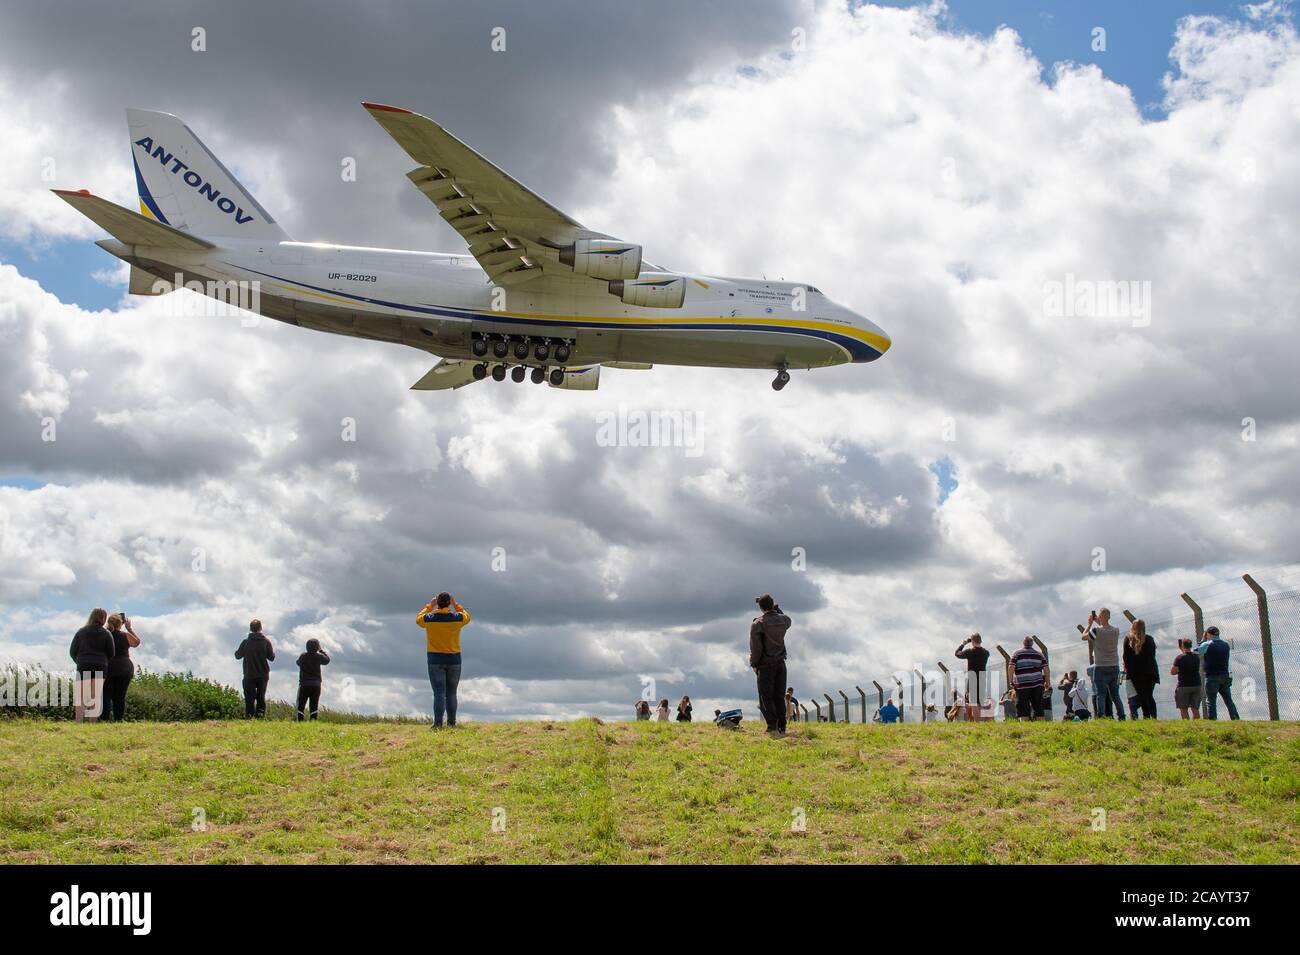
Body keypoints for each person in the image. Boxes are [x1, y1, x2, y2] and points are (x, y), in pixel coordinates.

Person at [416, 592, 471, 728]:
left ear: (438, 603)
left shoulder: (430, 618)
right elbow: (467, 617)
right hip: (454, 659)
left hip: (435, 659)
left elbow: (418, 619)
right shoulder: (457, 618)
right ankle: (452, 723)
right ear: (449, 603)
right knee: (452, 693)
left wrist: (430, 605)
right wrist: (456, 604)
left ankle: (438, 724)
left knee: (439, 693)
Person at [749, 593, 791, 736]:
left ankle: (772, 726)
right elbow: (787, 619)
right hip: (780, 663)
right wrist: (777, 610)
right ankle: (782, 726)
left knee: (766, 697)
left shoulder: (758, 624)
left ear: (760, 608)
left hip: (765, 665)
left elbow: (756, 648)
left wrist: (753, 663)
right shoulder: (783, 620)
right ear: (772, 604)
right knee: (779, 696)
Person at [69, 608, 114, 722]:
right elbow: (111, 653)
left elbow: (72, 651)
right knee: (95, 696)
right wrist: (103, 661)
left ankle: (78, 721)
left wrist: (79, 661)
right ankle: (92, 723)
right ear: (103, 619)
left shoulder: (81, 632)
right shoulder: (107, 633)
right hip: (100, 666)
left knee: (81, 696)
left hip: (83, 664)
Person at [1081, 609, 1125, 719]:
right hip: (1114, 666)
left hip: (1100, 666)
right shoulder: (1116, 630)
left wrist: (1089, 623)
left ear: (1100, 617)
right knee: (1115, 695)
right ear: (1109, 617)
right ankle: (1122, 716)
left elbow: (1083, 636)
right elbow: (1105, 628)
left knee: (1101, 694)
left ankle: (1101, 716)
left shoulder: (1096, 630)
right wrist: (1099, 621)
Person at [102, 612, 140, 722]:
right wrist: (129, 629)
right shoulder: (125, 635)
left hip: (109, 667)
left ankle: (104, 719)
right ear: (121, 624)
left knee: (106, 695)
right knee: (120, 696)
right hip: (124, 668)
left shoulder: (104, 635)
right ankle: (118, 720)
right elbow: (136, 642)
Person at [1196, 625, 1240, 720]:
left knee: (1211, 700)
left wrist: (1202, 641)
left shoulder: (1207, 644)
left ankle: (1212, 719)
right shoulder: (1225, 645)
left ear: (1208, 634)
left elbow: (1196, 651)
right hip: (1225, 675)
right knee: (1228, 700)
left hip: (1212, 676)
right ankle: (1235, 718)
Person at [235, 619, 275, 718]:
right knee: (261, 697)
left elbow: (237, 656)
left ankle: (249, 716)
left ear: (250, 629)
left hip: (249, 674)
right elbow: (271, 658)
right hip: (263, 674)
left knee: (249, 698)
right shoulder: (266, 642)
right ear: (260, 628)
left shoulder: (246, 642)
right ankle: (260, 716)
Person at [1122, 618, 1159, 719]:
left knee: (1142, 696)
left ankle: (1146, 716)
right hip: (1151, 672)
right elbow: (1153, 655)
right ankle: (1154, 716)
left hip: (1136, 674)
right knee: (1149, 695)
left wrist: (1127, 669)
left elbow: (1126, 657)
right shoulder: (1149, 639)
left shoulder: (1129, 640)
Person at [1009, 637, 1047, 719]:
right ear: (1032, 643)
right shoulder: (1039, 654)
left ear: (1023, 643)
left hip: (1022, 684)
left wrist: (1011, 680)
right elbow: (1046, 669)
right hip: (1037, 683)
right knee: (1038, 707)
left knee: (1023, 707)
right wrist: (1047, 682)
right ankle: (1042, 726)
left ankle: (1025, 726)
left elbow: (1011, 667)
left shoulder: (1017, 654)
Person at [954, 633, 990, 720]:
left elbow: (957, 654)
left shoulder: (969, 652)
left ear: (972, 641)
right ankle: (982, 722)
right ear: (981, 641)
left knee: (974, 703)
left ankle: (977, 723)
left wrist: (963, 644)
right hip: (982, 679)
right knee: (981, 702)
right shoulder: (986, 653)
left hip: (973, 679)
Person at [294, 638, 331, 721]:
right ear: (317, 647)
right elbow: (327, 660)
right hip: (316, 685)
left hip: (304, 684)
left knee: (301, 704)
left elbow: (297, 663)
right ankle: (313, 720)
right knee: (314, 704)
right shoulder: (319, 656)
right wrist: (321, 651)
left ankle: (300, 721)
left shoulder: (303, 656)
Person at [1171, 638, 1203, 720]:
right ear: (1190, 645)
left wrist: (1179, 670)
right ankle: (1197, 726)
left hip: (1183, 685)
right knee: (1195, 709)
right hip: (1196, 684)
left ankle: (1187, 725)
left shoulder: (1179, 658)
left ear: (1182, 646)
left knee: (1183, 709)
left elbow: (1173, 671)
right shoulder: (1196, 657)